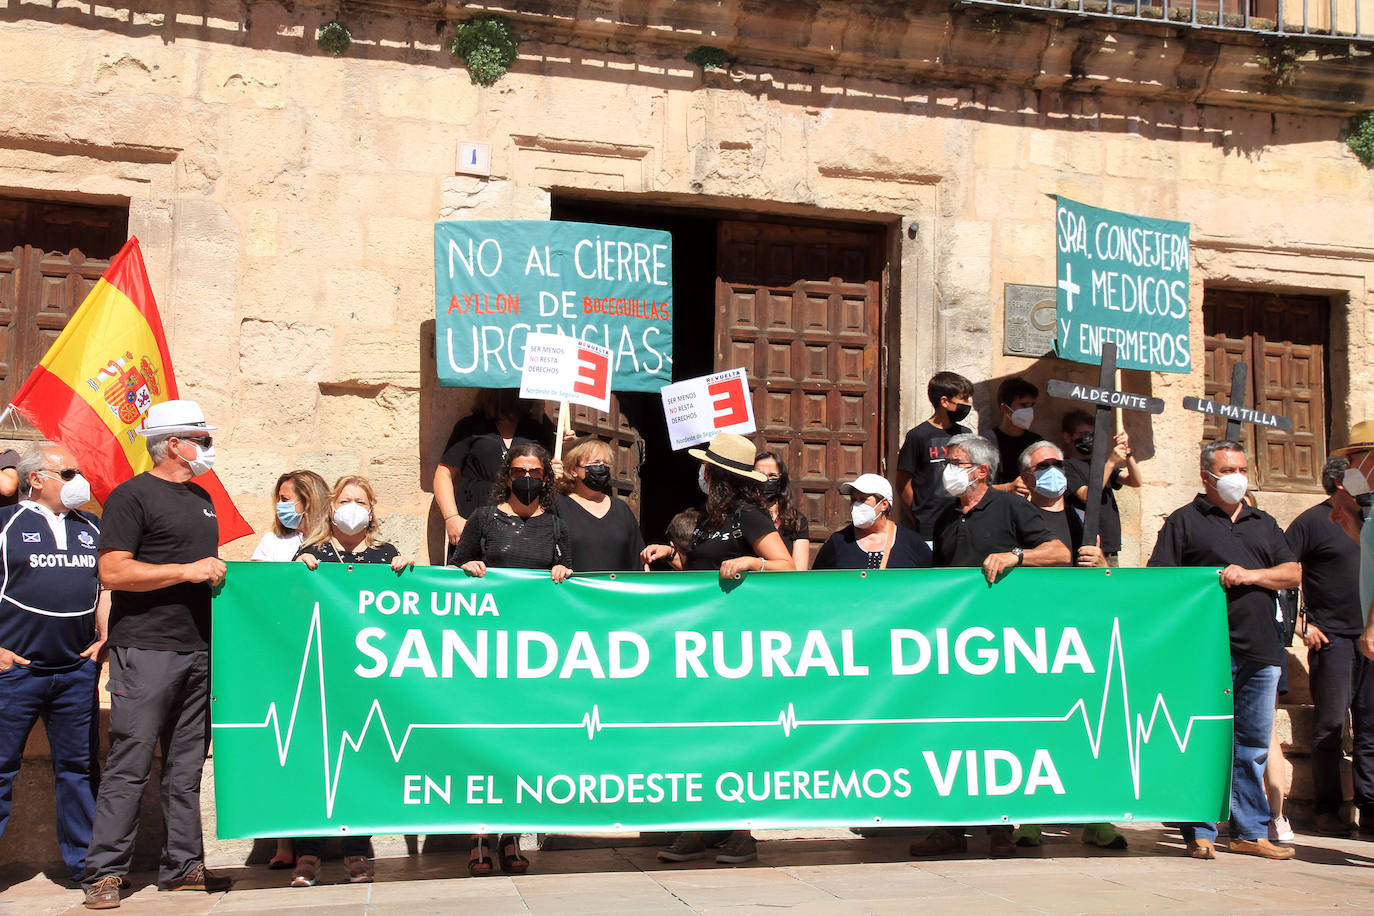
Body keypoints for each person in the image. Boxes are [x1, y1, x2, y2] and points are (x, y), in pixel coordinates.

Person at [83, 400, 231, 909]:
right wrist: (186, 571)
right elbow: (114, 572)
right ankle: (104, 873)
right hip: (145, 649)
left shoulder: (202, 498)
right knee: (129, 762)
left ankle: (184, 866)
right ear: (174, 444)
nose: (208, 448)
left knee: (186, 767)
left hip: (197, 652)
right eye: (201, 439)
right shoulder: (131, 496)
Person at [642, 433, 796, 865]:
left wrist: (752, 562)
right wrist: (671, 556)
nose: (702, 473)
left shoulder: (751, 517)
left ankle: (742, 833)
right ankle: (694, 831)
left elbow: (786, 567)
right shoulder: (708, 519)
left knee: (732, 735)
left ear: (719, 474)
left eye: (707, 466)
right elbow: (704, 569)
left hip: (734, 644)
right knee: (694, 735)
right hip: (698, 642)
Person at [913, 434, 1067, 858]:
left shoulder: (1010, 506)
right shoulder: (944, 516)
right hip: (951, 648)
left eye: (955, 461)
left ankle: (1000, 828)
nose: (946, 468)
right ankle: (949, 828)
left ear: (980, 471)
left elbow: (1058, 552)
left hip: (1001, 646)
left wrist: (1016, 555)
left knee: (997, 736)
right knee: (949, 736)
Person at [1148, 439, 1300, 861]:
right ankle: (1199, 829)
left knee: (1251, 744)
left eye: (1241, 469)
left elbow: (1292, 572)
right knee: (1203, 738)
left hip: (1261, 650)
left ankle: (1249, 830)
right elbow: (1161, 581)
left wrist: (1250, 576)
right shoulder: (1184, 521)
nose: (1237, 477)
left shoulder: (1263, 523)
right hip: (1204, 651)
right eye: (1227, 470)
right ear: (1206, 476)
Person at [452, 443, 571, 876]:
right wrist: (467, 568)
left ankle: (511, 837)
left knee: (521, 742)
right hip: (486, 650)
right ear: (507, 474)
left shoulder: (556, 526)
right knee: (483, 741)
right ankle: (479, 837)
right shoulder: (484, 519)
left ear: (545, 477)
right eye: (520, 470)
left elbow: (568, 576)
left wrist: (563, 574)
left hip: (533, 655)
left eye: (535, 471)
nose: (527, 478)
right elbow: (453, 566)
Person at [289, 475, 409, 887]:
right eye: (345, 500)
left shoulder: (385, 555)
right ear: (332, 507)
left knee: (360, 764)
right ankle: (308, 854)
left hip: (368, 681)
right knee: (315, 764)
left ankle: (357, 851)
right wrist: (297, 574)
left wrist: (404, 575)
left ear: (371, 509)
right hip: (322, 674)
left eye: (360, 500)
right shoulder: (312, 554)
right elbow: (289, 607)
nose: (352, 507)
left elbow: (405, 613)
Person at [1010, 440, 1126, 851]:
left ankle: (1098, 816)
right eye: (1045, 465)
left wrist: (1101, 566)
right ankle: (1029, 820)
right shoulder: (1017, 516)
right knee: (1033, 729)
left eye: (1059, 463)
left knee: (1090, 728)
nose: (1055, 470)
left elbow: (1106, 582)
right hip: (1029, 636)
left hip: (1079, 637)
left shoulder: (1084, 516)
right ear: (1026, 474)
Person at [0, 442, 107, 885]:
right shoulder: (6, 525)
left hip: (76, 672)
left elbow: (104, 586)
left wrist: (106, 635)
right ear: (37, 479)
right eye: (68, 473)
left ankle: (90, 869)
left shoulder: (93, 528)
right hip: (15, 672)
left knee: (79, 768)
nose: (77, 481)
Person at [1287, 456, 1368, 837]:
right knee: (1331, 726)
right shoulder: (1310, 522)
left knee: (1371, 727)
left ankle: (1369, 809)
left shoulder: (1368, 520)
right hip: (1333, 638)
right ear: (1340, 483)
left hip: (1371, 638)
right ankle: (1326, 810)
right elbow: (1283, 576)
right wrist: (1302, 625)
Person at [433, 388, 551, 551]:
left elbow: (548, 473)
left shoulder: (535, 430)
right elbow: (444, 473)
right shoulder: (470, 427)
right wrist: (452, 517)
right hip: (475, 512)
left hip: (523, 516)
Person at [895, 371, 974, 544]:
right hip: (928, 528)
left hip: (960, 522)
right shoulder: (918, 436)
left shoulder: (966, 434)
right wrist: (916, 515)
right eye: (964, 399)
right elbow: (903, 482)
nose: (968, 405)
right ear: (944, 401)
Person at [1061, 410, 1142, 564]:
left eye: (1093, 434)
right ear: (1067, 437)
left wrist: (1128, 453)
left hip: (1108, 544)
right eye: (1083, 433)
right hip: (1085, 546)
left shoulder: (1100, 466)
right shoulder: (1066, 467)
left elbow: (1135, 481)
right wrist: (1111, 462)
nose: (1089, 438)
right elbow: (1087, 496)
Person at [554, 437, 644, 572]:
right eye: (595, 463)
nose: (601, 467)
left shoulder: (621, 509)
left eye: (606, 464)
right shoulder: (558, 505)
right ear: (573, 470)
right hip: (572, 591)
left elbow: (638, 559)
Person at [812, 473, 931, 570]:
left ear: (884, 504)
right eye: (854, 499)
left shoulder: (911, 542)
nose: (856, 505)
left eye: (863, 499)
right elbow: (818, 583)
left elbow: (932, 582)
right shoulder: (838, 542)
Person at [251, 470, 330, 563]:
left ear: (308, 501)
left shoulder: (335, 542)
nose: (279, 504)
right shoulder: (272, 541)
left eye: (285, 499)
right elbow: (259, 576)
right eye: (279, 499)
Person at [754, 450, 811, 570]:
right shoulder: (742, 516)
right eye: (759, 475)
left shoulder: (797, 521)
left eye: (772, 476)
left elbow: (799, 571)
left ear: (782, 480)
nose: (765, 480)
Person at [988, 377, 1040, 495]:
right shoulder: (986, 441)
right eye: (1023, 405)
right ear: (1005, 408)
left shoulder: (1037, 443)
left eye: (1032, 405)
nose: (1029, 410)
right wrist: (1008, 488)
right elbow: (976, 488)